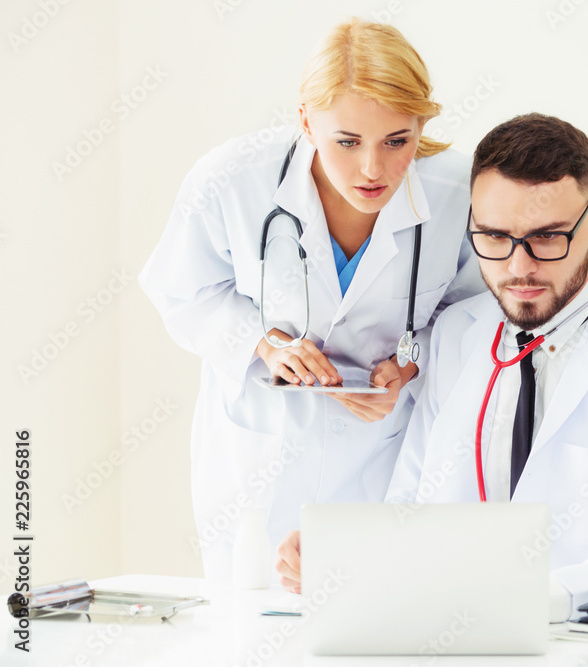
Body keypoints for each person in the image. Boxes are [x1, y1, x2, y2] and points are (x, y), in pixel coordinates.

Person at [275, 113, 588, 622]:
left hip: (581, 644)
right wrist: (349, 559)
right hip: (450, 638)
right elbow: (409, 505)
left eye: (547, 238)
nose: (518, 268)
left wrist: (519, 601)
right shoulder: (458, 334)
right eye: (495, 237)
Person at [138, 19, 484, 580]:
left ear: (422, 122)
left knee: (373, 623)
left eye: (398, 140)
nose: (373, 169)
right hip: (260, 463)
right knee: (256, 638)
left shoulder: (458, 193)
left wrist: (413, 361)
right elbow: (181, 289)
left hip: (385, 457)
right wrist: (262, 344)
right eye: (346, 142)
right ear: (305, 120)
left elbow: (472, 315)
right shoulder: (232, 180)